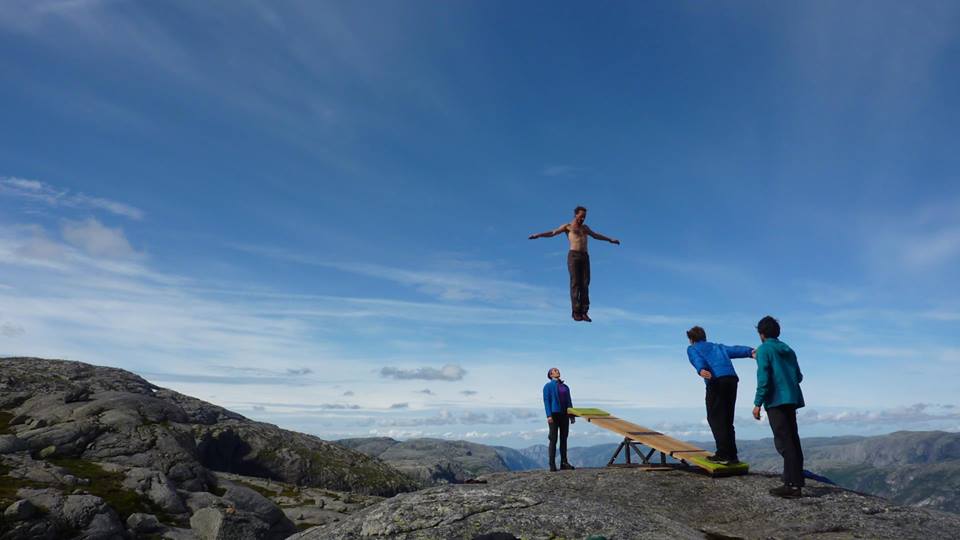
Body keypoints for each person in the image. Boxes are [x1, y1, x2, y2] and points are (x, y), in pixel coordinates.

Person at [528, 206, 620, 322]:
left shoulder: (585, 228)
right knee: (575, 283)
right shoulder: (568, 227)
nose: (583, 219)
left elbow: (596, 235)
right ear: (576, 214)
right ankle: (576, 312)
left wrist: (610, 239)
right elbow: (553, 232)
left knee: (585, 283)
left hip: (585, 256)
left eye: (584, 217)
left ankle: (584, 312)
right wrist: (538, 235)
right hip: (574, 256)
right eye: (581, 216)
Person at [752, 315, 805, 498]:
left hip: (776, 400)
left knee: (783, 441)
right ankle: (794, 480)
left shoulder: (764, 350)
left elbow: (763, 378)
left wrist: (757, 403)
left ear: (761, 334)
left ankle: (791, 484)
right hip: (792, 399)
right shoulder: (788, 350)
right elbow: (798, 377)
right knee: (792, 439)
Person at [686, 326, 754, 465]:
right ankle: (732, 455)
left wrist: (701, 369)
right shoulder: (718, 347)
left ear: (691, 339)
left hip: (716, 380)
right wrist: (750, 351)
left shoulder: (692, 348)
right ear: (704, 337)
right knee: (727, 419)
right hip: (731, 379)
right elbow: (734, 349)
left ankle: (723, 454)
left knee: (715, 418)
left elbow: (696, 358)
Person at [542, 367, 576, 472]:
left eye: (557, 370)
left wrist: (572, 415)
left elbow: (569, 401)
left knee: (564, 439)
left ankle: (564, 463)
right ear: (551, 375)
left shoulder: (565, 387)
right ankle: (552, 464)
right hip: (554, 414)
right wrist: (548, 415)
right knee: (553, 439)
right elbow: (546, 401)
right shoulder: (548, 386)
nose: (557, 371)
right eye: (554, 371)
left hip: (564, 414)